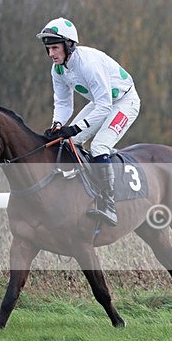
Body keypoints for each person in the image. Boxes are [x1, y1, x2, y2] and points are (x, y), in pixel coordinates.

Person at [36, 17, 141, 226]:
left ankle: (109, 204)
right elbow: (64, 103)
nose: (51, 54)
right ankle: (82, 193)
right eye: (48, 49)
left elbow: (105, 106)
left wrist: (75, 127)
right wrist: (57, 125)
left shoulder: (88, 64)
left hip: (124, 102)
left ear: (68, 45)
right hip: (101, 101)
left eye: (55, 48)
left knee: (99, 146)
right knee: (68, 142)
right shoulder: (57, 70)